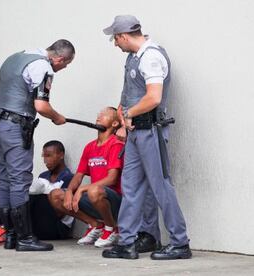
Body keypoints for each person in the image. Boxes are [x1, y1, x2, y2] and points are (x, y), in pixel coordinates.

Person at [101, 15, 192, 260]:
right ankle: (127, 242)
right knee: (131, 188)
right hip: (135, 133)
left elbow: (153, 98)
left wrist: (129, 113)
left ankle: (180, 243)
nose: (115, 44)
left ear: (123, 36)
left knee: (162, 187)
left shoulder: (151, 56)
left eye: (115, 39)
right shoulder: (134, 57)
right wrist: (122, 115)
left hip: (150, 130)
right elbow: (130, 93)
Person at [0, 39, 75, 251]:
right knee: (19, 180)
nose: (64, 68)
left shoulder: (17, 57)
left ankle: (10, 236)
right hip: (15, 128)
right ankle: (25, 238)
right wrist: (56, 117)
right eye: (66, 64)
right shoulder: (43, 67)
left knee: (5, 177)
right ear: (61, 58)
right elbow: (41, 106)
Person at [49, 107, 124, 248]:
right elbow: (78, 175)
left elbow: (112, 179)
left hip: (115, 202)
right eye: (98, 114)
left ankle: (112, 228)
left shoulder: (116, 144)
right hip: (95, 198)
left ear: (115, 124)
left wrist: (82, 189)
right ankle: (96, 225)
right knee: (56, 195)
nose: (99, 116)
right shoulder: (90, 147)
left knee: (94, 190)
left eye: (104, 115)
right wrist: (70, 191)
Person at [28, 140, 74, 240]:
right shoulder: (43, 176)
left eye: (48, 156)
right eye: (44, 156)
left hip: (58, 228)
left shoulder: (68, 178)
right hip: (40, 223)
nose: (45, 160)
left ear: (61, 155)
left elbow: (61, 212)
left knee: (37, 197)